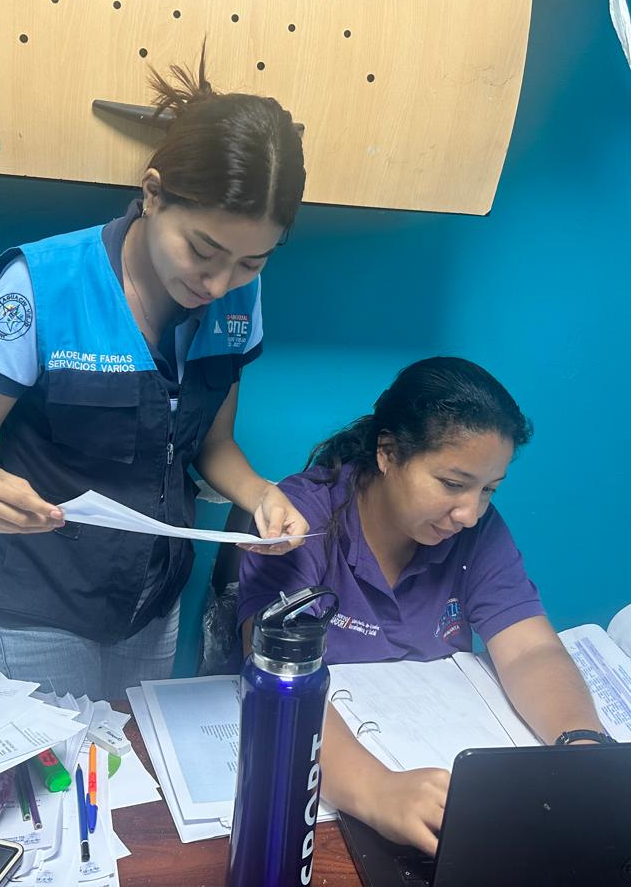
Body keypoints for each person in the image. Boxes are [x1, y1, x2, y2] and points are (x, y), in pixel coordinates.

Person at [0, 54, 309, 700]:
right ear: (153, 193)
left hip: (152, 603)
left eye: (252, 262)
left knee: (133, 757)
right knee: (64, 762)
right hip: (40, 603)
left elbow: (214, 444)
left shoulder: (239, 299)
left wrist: (261, 496)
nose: (219, 283)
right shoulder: (42, 286)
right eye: (203, 250)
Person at [237, 357, 607, 855]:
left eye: (488, 490)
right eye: (453, 484)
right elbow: (282, 680)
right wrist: (376, 791)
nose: (470, 513)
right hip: (324, 792)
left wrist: (582, 745)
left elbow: (529, 649)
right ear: (388, 453)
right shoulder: (301, 520)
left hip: (442, 771)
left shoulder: (477, 531)